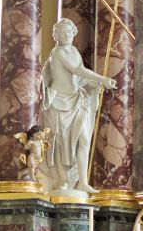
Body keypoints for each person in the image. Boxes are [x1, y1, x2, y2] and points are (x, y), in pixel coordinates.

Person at [40, 17, 116, 196]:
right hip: (58, 102)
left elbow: (79, 77)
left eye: (69, 31)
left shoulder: (74, 50)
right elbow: (78, 70)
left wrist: (92, 83)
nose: (66, 35)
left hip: (76, 100)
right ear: (56, 35)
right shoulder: (58, 53)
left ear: (74, 33)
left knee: (84, 139)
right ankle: (63, 179)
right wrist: (102, 79)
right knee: (59, 143)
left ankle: (82, 181)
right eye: (62, 32)